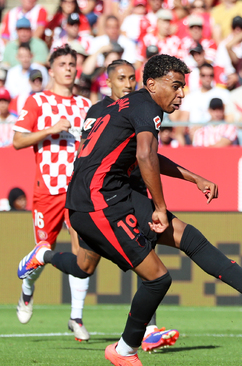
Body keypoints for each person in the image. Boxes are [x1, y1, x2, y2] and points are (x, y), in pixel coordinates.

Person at [63, 54, 242, 366]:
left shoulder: (124, 105)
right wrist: (159, 207)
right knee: (157, 278)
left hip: (111, 195)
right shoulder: (147, 107)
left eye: (183, 86)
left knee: (187, 236)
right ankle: (125, 349)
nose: (182, 94)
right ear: (152, 84)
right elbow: (145, 154)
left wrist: (193, 178)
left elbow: (145, 153)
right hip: (97, 202)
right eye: (175, 86)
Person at [18, 59, 181, 350]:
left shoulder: (140, 105)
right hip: (99, 198)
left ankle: (145, 328)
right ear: (109, 82)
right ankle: (44, 260)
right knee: (88, 265)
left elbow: (149, 154)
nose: (129, 84)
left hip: (130, 191)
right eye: (122, 78)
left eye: (133, 78)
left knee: (141, 252)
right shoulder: (98, 110)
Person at [12, 45, 92, 339]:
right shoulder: (38, 101)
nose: (69, 68)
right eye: (63, 64)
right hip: (47, 190)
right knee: (42, 251)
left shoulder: (85, 105)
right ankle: (27, 289)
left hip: (77, 189)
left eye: (72, 63)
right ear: (52, 68)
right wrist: (51, 129)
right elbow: (18, 141)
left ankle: (76, 316)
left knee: (81, 249)